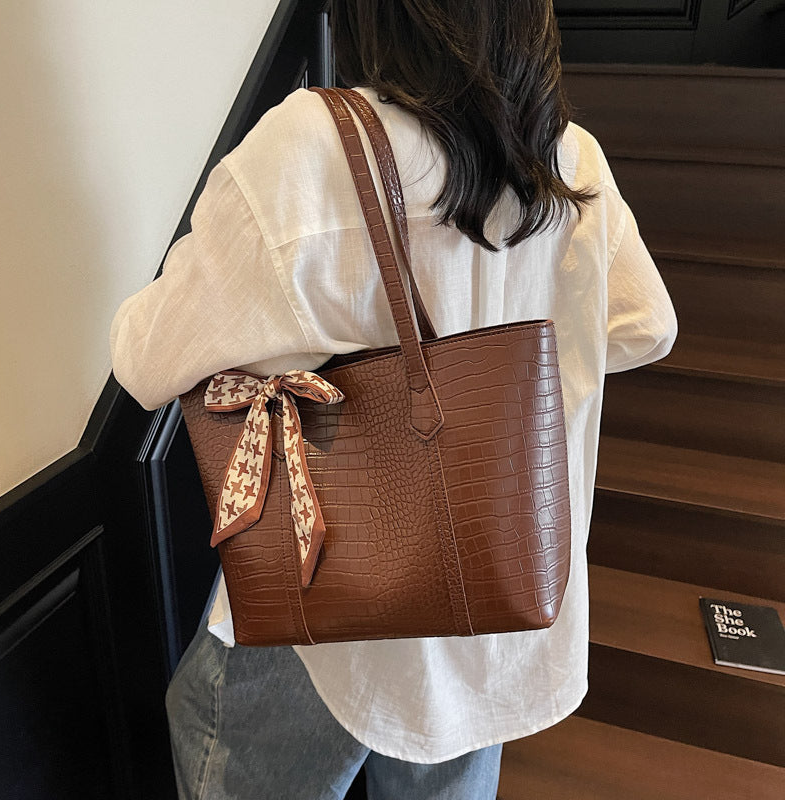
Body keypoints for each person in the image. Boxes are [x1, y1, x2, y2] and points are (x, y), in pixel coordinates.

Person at [110, 1, 677, 798]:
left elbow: (145, 358)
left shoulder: (316, 145)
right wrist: (508, 369)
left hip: (334, 607)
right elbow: (647, 327)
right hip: (502, 591)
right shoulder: (569, 157)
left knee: (223, 742)